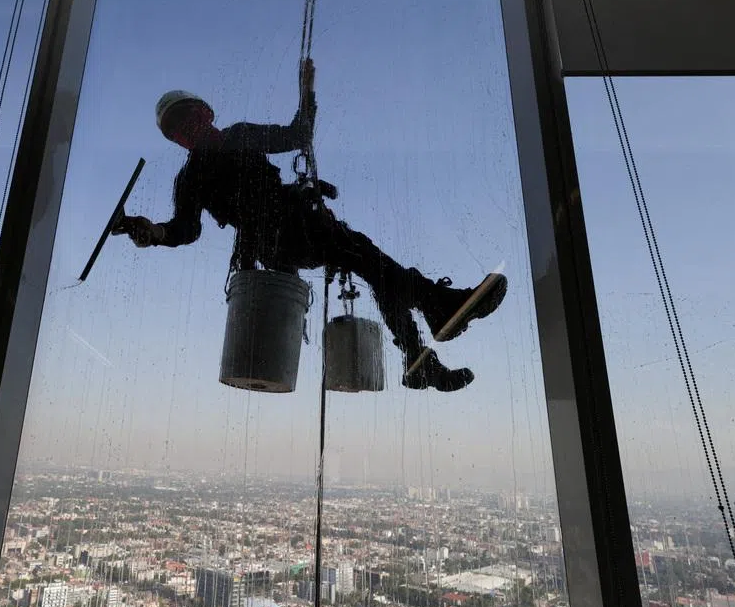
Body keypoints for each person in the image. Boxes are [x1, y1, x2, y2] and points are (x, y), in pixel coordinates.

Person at [114, 60, 506, 391]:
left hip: (289, 229)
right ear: (184, 133)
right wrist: (152, 231)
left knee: (372, 265)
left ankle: (421, 356)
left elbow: (296, 137)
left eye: (191, 121)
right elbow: (186, 230)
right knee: (370, 260)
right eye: (185, 126)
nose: (193, 129)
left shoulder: (230, 144)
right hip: (287, 231)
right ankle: (435, 314)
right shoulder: (206, 165)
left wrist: (307, 94)